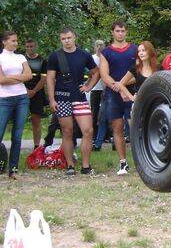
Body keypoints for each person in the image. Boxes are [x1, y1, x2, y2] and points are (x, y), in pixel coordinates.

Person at [46, 28, 99, 175]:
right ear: (60, 40)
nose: (66, 41)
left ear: (74, 37)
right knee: (67, 131)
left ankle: (86, 165)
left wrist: (88, 86)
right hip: (62, 97)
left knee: (88, 131)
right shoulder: (55, 57)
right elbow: (50, 79)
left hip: (79, 98)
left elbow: (96, 73)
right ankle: (70, 165)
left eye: (69, 38)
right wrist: (52, 99)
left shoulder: (84, 55)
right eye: (63, 39)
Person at [99, 20, 138, 175]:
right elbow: (104, 75)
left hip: (131, 91)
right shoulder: (106, 52)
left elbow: (139, 72)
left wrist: (123, 86)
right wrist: (117, 87)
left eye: (122, 31)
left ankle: (141, 160)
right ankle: (123, 163)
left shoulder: (135, 50)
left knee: (135, 126)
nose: (120, 33)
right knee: (117, 127)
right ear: (112, 32)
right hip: (113, 93)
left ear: (126, 32)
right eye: (117, 31)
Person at [0, 31, 32, 179]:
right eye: (13, 41)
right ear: (4, 42)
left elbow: (29, 75)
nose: (16, 43)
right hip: (4, 99)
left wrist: (11, 77)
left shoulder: (21, 57)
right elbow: (1, 80)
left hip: (21, 98)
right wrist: (19, 78)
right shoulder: (1, 58)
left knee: (17, 136)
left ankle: (13, 169)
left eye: (16, 41)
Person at [117, 41, 158, 125]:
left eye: (143, 50)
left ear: (150, 51)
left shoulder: (159, 68)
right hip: (139, 104)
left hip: (155, 104)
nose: (141, 53)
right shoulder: (135, 69)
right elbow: (121, 84)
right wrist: (131, 97)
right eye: (139, 51)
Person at [24, 39, 47, 147]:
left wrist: (33, 91)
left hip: (37, 93)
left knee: (36, 121)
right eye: (27, 46)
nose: (30, 48)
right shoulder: (21, 59)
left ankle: (36, 146)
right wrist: (25, 90)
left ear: (36, 46)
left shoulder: (42, 60)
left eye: (31, 46)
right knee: (18, 121)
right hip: (21, 92)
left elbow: (44, 79)